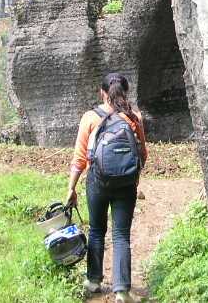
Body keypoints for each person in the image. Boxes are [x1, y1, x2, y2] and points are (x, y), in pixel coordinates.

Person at [66, 73, 148, 301]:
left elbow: (80, 157)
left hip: (97, 182)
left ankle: (93, 281)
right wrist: (132, 177)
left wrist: (71, 189)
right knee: (121, 235)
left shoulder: (90, 117)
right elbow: (143, 154)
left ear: (102, 92)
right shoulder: (134, 117)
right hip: (126, 184)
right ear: (125, 91)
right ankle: (121, 290)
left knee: (96, 230)